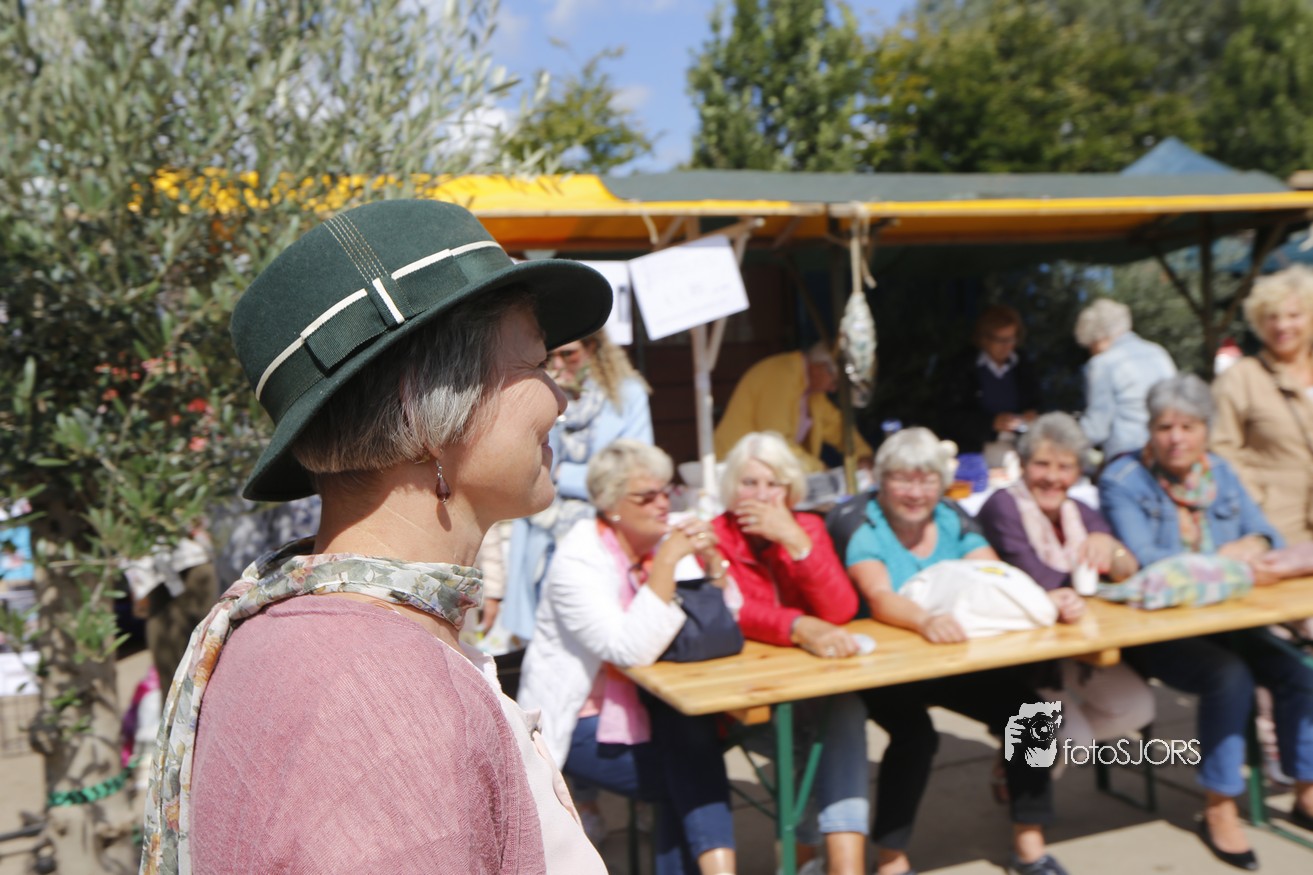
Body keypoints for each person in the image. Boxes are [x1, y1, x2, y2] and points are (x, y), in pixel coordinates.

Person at [141, 199, 614, 874]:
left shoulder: (303, 631)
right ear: (424, 406)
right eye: (536, 364)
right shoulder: (387, 696)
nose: (560, 399)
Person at [1100, 373, 1313, 870]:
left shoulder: (1219, 472)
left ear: (1206, 430)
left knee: (1299, 671)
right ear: (1149, 431)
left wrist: (1253, 545)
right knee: (1229, 677)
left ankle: (1306, 788)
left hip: (1230, 620)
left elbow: (1266, 535)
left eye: (1188, 426)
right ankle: (1219, 805)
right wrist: (1229, 559)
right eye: (1164, 427)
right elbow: (1148, 560)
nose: (1176, 438)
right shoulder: (1123, 480)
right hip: (1159, 630)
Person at [839, 427, 1067, 875]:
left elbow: (995, 576)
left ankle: (1029, 844)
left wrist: (1044, 600)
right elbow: (879, 595)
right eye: (902, 479)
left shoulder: (950, 518)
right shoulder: (865, 524)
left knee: (1033, 713)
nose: (915, 492)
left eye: (927, 480)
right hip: (885, 667)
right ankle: (891, 858)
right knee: (916, 736)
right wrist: (925, 620)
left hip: (947, 659)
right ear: (881, 481)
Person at [518, 439, 737, 875]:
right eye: (647, 496)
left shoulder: (663, 538)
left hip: (660, 704)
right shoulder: (578, 558)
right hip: (581, 716)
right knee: (690, 770)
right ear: (611, 504)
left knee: (690, 749)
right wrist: (667, 564)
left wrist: (714, 564)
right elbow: (628, 649)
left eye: (666, 491)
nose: (663, 504)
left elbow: (727, 621)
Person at [711, 431, 870, 875]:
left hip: (810, 688)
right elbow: (732, 610)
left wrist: (795, 542)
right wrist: (797, 626)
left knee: (844, 710)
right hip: (745, 696)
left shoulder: (808, 528)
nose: (762, 495)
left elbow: (840, 610)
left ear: (790, 490)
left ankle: (841, 866)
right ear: (732, 487)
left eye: (774, 484)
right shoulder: (715, 536)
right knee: (813, 738)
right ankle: (805, 857)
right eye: (750, 483)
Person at [976, 413, 1154, 748]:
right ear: (1023, 465)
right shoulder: (1003, 507)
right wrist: (1093, 579)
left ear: (1078, 472)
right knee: (1072, 740)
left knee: (1137, 707)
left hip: (1075, 644)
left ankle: (1032, 748)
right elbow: (1039, 579)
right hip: (1023, 655)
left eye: (1065, 467)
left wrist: (1111, 547)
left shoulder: (1078, 511)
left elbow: (1128, 571)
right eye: (1042, 464)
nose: (1052, 477)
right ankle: (1030, 755)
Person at [503, 328, 653, 642]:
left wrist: (564, 475)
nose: (559, 363)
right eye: (550, 356)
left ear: (592, 348)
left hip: (605, 535)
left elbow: (632, 475)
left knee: (600, 633)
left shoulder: (626, 395)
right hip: (544, 536)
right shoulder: (546, 396)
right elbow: (531, 468)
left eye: (568, 353)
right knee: (548, 638)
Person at [1211, 265, 1313, 545]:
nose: (1282, 326)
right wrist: (1255, 498)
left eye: (1294, 315)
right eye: (1272, 317)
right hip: (1278, 523)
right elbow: (1220, 448)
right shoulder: (1241, 377)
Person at [714, 343, 873, 474]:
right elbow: (777, 442)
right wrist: (819, 469)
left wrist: (862, 453)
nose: (833, 389)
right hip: (734, 469)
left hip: (758, 471)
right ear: (821, 367)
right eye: (835, 382)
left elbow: (836, 426)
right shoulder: (782, 376)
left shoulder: (811, 389)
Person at [1073, 298, 1177, 462]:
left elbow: (1097, 428)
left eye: (1090, 346)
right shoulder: (1158, 352)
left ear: (1098, 338)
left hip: (1128, 456)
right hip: (1166, 451)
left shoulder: (1102, 363)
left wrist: (1065, 441)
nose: (1091, 352)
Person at [939, 304, 1043, 458]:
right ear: (984, 339)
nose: (1007, 346)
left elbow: (1038, 403)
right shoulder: (964, 366)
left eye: (1011, 339)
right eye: (1000, 340)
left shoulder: (1024, 364)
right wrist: (991, 423)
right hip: (973, 452)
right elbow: (949, 417)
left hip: (1020, 451)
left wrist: (1031, 415)